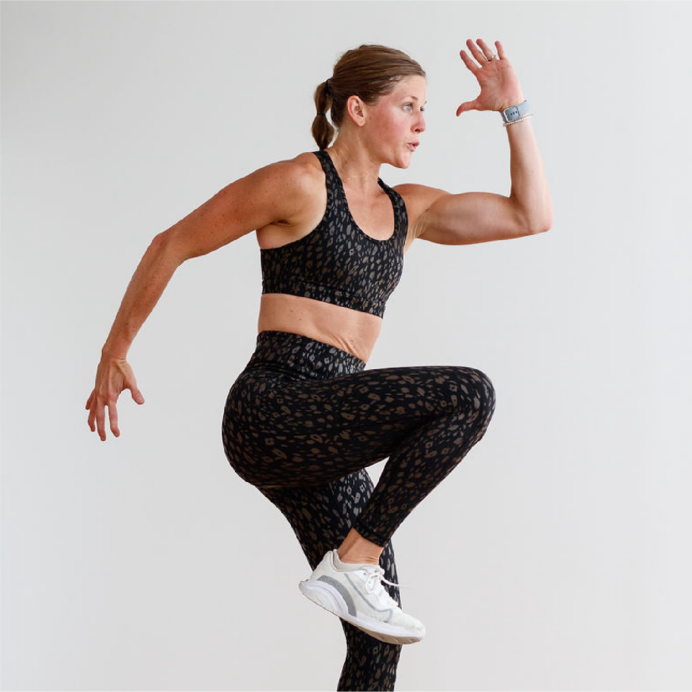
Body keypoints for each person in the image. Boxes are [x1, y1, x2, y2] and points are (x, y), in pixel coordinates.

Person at [86, 38, 552, 691]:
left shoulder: (408, 209)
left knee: (377, 645)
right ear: (357, 109)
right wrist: (115, 350)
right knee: (468, 394)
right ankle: (354, 558)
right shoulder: (299, 183)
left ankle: (353, 566)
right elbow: (173, 243)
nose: (423, 122)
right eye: (409, 105)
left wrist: (514, 109)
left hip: (330, 432)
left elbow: (531, 216)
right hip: (272, 409)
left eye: (427, 108)